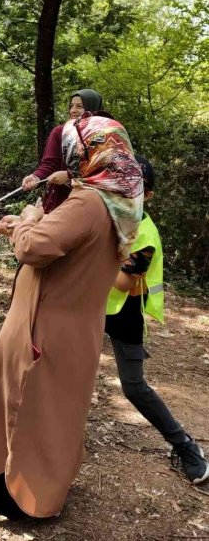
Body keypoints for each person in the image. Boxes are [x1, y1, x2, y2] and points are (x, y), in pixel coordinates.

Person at [0, 112, 143, 519]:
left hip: (45, 326)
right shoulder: (121, 201)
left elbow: (33, 248)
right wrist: (30, 225)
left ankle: (12, 495)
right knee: (55, 410)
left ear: (89, 152)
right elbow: (65, 242)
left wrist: (27, 221)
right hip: (76, 325)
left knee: (23, 403)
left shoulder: (89, 201)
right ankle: (36, 486)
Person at [106, 155, 209, 485]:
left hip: (123, 312)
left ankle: (185, 445)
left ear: (147, 195)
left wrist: (92, 253)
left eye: (135, 186)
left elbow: (123, 282)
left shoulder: (145, 234)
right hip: (88, 306)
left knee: (134, 387)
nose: (124, 190)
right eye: (119, 182)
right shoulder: (102, 212)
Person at [21, 88, 105, 213]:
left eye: (79, 106)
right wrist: (35, 177)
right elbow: (49, 164)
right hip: (60, 201)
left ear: (93, 108)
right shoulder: (60, 132)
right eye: (71, 106)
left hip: (93, 202)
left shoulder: (105, 135)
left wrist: (68, 175)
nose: (73, 110)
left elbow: (105, 169)